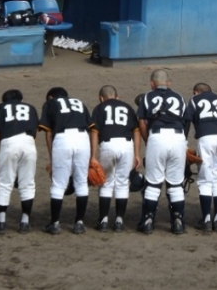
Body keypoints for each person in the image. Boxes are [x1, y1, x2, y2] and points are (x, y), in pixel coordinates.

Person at [136, 69, 187, 235]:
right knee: (176, 184)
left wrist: (148, 140)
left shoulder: (147, 97)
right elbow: (185, 121)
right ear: (169, 83)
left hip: (157, 137)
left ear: (152, 83)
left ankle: (148, 221)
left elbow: (142, 123)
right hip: (178, 138)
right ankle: (177, 222)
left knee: (153, 183)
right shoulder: (179, 97)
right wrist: (183, 142)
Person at [183, 82, 217, 233]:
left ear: (196, 92)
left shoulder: (194, 100)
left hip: (206, 139)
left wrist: (183, 142)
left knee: (205, 179)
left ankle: (206, 219)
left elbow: (187, 121)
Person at [89, 85, 141, 233]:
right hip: (127, 146)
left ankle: (104, 221)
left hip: (108, 145)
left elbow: (94, 132)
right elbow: (136, 131)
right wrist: (137, 154)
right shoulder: (127, 107)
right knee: (122, 183)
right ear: (117, 97)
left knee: (106, 183)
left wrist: (93, 156)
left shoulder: (99, 108)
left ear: (101, 98)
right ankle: (119, 221)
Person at [40, 87, 91, 235]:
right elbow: (90, 127)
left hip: (62, 139)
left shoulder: (50, 103)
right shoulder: (79, 102)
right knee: (81, 182)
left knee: (58, 184)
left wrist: (51, 159)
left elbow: (48, 133)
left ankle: (55, 224)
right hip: (83, 139)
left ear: (51, 97)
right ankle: (79, 223)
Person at [0, 89, 39, 234]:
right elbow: (34, 132)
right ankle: (25, 222)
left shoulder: (0, 108)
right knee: (27, 184)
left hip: (8, 142)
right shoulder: (30, 108)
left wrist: (2, 151)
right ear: (21, 100)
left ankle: (1, 222)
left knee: (4, 183)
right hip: (28, 142)